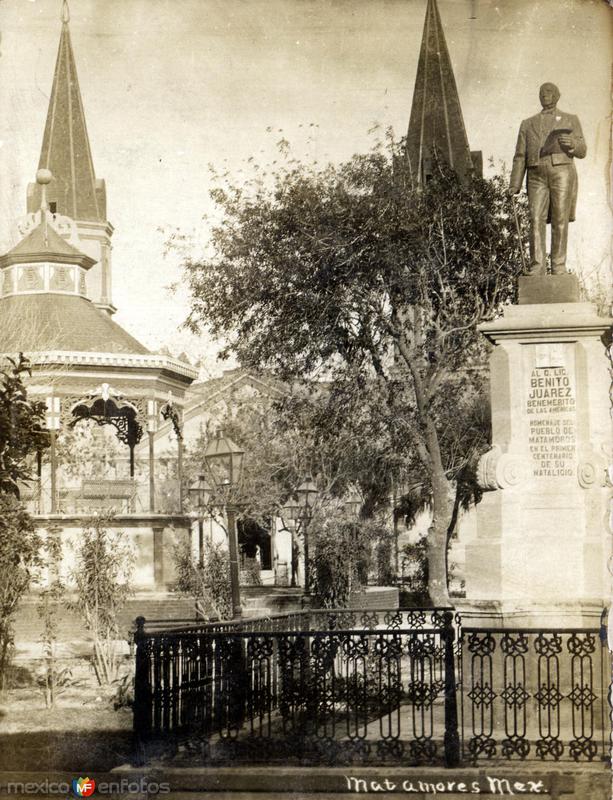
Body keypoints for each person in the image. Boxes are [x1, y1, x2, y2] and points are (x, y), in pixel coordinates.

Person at [509, 83, 586, 275]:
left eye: (549, 92)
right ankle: (537, 265)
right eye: (542, 92)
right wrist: (514, 183)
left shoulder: (570, 119)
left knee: (560, 217)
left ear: (558, 96)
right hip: (535, 172)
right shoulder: (527, 123)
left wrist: (573, 144)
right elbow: (520, 155)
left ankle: (558, 266)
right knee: (535, 219)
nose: (545, 95)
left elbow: (583, 150)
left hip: (561, 170)